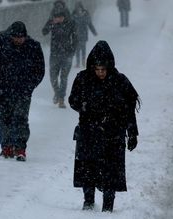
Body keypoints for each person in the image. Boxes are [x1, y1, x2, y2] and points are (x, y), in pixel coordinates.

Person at [68, 40, 140, 212]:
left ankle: (108, 204)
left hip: (113, 133)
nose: (100, 73)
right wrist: (83, 106)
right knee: (88, 166)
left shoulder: (120, 81)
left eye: (103, 69)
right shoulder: (83, 79)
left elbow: (130, 108)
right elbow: (73, 100)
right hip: (88, 130)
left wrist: (132, 133)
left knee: (111, 169)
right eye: (97, 69)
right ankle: (88, 201)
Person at [0, 21, 45, 161]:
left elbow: (39, 70)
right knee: (3, 117)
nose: (19, 40)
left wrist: (29, 86)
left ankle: (20, 148)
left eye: (22, 38)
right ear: (10, 35)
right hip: (1, 88)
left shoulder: (33, 46)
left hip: (22, 90)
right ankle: (7, 147)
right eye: (16, 37)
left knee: (21, 117)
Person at [42, 0, 77, 108]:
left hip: (67, 54)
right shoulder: (52, 20)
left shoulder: (71, 22)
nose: (59, 18)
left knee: (64, 77)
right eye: (57, 17)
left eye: (60, 17)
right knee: (53, 77)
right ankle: (57, 93)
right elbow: (44, 32)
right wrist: (51, 23)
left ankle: (61, 99)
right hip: (54, 54)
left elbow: (75, 38)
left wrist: (72, 50)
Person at [72, 1, 97, 68]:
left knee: (83, 49)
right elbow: (70, 25)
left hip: (83, 34)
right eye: (77, 8)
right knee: (77, 49)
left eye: (79, 8)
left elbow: (89, 24)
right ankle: (78, 63)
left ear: (81, 7)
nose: (78, 9)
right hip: (76, 35)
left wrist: (94, 31)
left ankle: (83, 62)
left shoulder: (85, 14)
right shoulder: (73, 15)